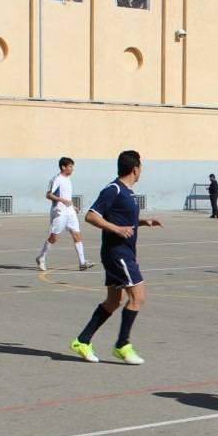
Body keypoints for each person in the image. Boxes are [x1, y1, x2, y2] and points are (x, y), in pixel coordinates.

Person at [70, 150, 162, 365]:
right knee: (137, 297)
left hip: (124, 252)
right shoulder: (114, 189)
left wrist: (142, 222)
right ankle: (122, 345)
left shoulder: (127, 192)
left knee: (114, 301)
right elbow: (91, 215)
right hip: (118, 253)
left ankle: (82, 341)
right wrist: (117, 230)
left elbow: (122, 218)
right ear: (135, 169)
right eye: (141, 169)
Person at [36, 157, 94, 272]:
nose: (72, 169)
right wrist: (62, 200)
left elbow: (66, 196)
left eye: (72, 167)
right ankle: (41, 257)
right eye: (70, 166)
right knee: (54, 237)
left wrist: (72, 206)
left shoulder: (68, 179)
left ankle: (82, 263)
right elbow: (48, 195)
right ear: (63, 167)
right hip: (59, 212)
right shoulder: (56, 179)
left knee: (77, 235)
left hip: (70, 212)